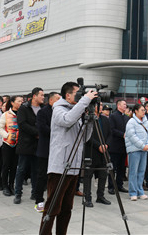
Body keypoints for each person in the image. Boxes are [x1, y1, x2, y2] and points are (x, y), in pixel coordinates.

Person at [39, 82, 97, 235]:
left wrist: (90, 120)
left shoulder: (76, 111)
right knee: (53, 207)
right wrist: (85, 100)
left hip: (74, 166)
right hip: (60, 166)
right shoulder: (59, 109)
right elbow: (67, 120)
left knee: (66, 209)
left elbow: (84, 137)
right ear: (68, 95)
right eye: (78, 94)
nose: (81, 97)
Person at [14, 87, 44, 205]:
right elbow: (22, 124)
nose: (43, 97)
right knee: (21, 169)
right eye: (41, 95)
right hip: (25, 144)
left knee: (36, 170)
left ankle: (35, 193)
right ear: (34, 96)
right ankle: (18, 193)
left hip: (38, 145)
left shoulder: (43, 108)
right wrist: (37, 133)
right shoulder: (24, 108)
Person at [83, 101, 112, 207]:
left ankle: (100, 196)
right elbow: (87, 136)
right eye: (98, 105)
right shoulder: (88, 119)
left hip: (104, 151)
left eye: (101, 105)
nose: (101, 107)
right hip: (91, 151)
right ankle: (87, 198)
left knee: (103, 174)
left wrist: (106, 145)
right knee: (88, 176)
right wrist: (99, 145)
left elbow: (110, 133)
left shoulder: (105, 119)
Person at [35, 92, 60, 212]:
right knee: (42, 175)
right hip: (45, 149)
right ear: (50, 100)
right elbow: (42, 128)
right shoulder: (43, 112)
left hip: (57, 149)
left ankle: (53, 200)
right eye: (57, 99)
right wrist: (58, 133)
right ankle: (39, 200)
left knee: (55, 176)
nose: (60, 101)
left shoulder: (61, 112)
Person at [125, 104, 148, 201]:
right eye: (142, 110)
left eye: (144, 110)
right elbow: (132, 136)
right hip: (134, 150)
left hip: (144, 149)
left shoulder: (145, 121)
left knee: (141, 171)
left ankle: (140, 191)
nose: (143, 112)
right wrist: (142, 145)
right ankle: (133, 192)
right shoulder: (131, 122)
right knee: (133, 171)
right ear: (135, 111)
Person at [0, 95, 23, 196]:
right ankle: (5, 186)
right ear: (12, 102)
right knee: (6, 165)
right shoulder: (6, 114)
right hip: (8, 144)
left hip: (18, 144)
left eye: (22, 101)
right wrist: (7, 136)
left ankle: (11, 185)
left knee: (14, 166)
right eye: (19, 101)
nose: (21, 103)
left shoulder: (22, 114)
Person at [107, 99, 129, 194]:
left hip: (124, 146)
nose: (125, 106)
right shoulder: (113, 116)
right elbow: (111, 129)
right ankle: (111, 186)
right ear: (118, 105)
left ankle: (119, 185)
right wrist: (122, 134)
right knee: (113, 167)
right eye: (124, 104)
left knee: (121, 168)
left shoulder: (127, 118)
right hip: (115, 146)